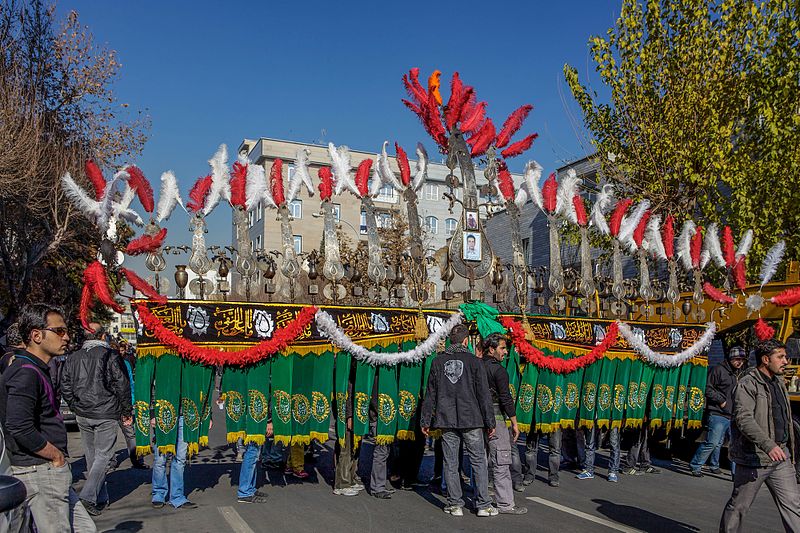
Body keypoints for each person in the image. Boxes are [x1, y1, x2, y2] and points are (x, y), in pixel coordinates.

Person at [0, 303, 96, 533]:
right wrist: (54, 456)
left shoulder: (33, 368)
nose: (66, 337)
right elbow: (18, 426)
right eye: (59, 331)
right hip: (40, 470)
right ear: (36, 335)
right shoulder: (25, 373)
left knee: (85, 529)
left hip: (47, 469)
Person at [720, 339, 800, 532]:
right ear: (765, 359)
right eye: (780, 357)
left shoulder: (779, 382)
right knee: (739, 507)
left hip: (781, 456)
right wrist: (768, 445)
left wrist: (784, 448)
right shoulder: (748, 384)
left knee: (793, 504)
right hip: (754, 458)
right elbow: (744, 419)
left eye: (785, 356)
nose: (785, 361)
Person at [420, 323, 497, 517]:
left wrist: (425, 420)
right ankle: (483, 504)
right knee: (478, 461)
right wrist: (490, 423)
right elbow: (483, 396)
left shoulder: (437, 362)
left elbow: (430, 394)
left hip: (447, 420)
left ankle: (454, 504)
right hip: (472, 419)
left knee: (451, 462)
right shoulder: (475, 362)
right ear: (465, 341)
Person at [61, 323, 133, 516]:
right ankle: (88, 496)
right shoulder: (110, 355)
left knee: (92, 456)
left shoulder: (74, 357)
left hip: (84, 412)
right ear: (102, 336)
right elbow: (122, 384)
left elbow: (65, 384)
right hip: (105, 412)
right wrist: (126, 410)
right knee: (103, 456)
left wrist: (75, 405)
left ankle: (99, 498)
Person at [482, 333, 527, 515]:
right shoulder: (499, 371)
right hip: (496, 418)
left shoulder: (476, 366)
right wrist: (514, 422)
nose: (506, 352)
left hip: (478, 420)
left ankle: (482, 500)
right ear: (492, 349)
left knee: (480, 461)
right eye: (502, 348)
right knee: (501, 461)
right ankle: (506, 503)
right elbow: (506, 399)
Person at [689, 346, 747, 477]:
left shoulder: (738, 373)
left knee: (732, 446)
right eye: (737, 359)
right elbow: (707, 388)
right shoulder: (719, 370)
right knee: (712, 442)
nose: (740, 362)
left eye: (742, 360)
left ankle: (729, 471)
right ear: (731, 358)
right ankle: (695, 465)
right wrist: (721, 401)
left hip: (733, 415)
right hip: (718, 413)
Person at [333, 358, 364, 496]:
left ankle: (350, 478)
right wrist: (349, 416)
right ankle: (342, 484)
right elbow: (346, 396)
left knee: (355, 446)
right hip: (347, 415)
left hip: (355, 414)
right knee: (346, 449)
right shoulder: (344, 372)